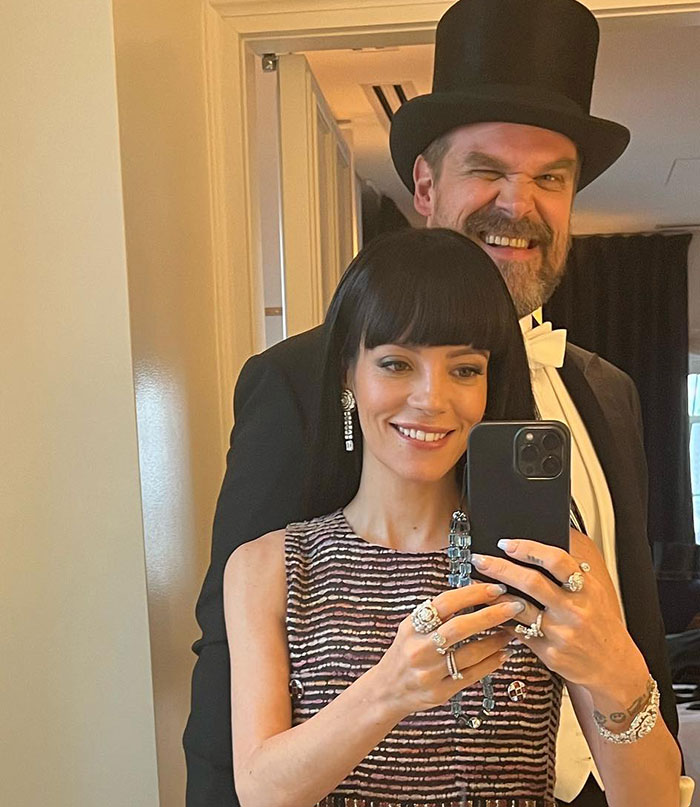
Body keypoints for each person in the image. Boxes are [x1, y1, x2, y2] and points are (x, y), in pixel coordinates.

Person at [183, 1, 681, 805]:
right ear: (424, 183)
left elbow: (639, 661)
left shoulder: (608, 390)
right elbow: (232, 712)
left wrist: (617, 672)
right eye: (487, 169)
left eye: (549, 178)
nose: (518, 206)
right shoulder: (292, 401)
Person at [223, 228, 680, 807]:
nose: (432, 399)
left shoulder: (551, 560)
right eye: (396, 364)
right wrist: (390, 691)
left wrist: (617, 675)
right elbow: (262, 793)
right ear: (348, 372)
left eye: (464, 369)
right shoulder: (269, 568)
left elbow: (655, 798)